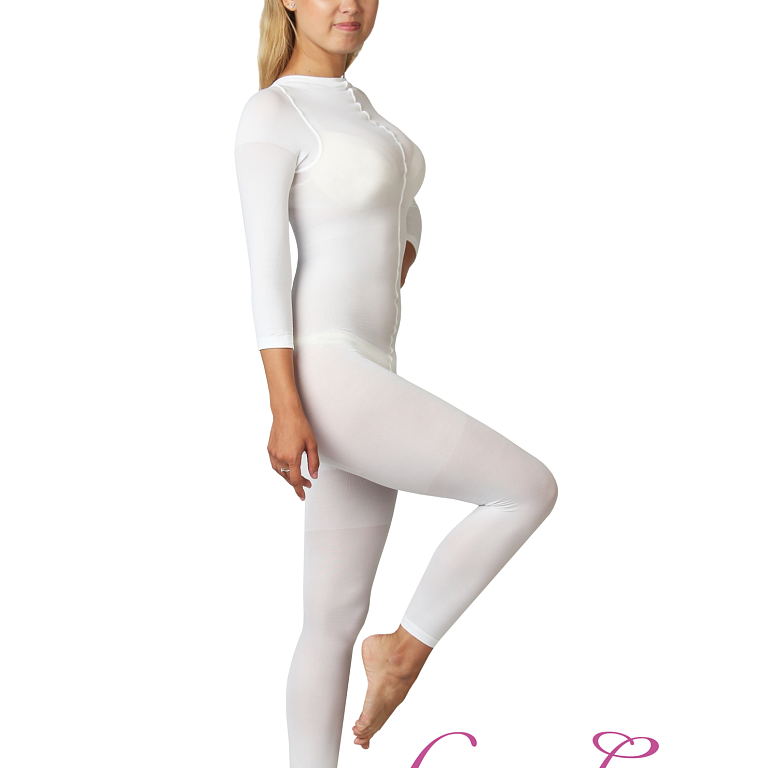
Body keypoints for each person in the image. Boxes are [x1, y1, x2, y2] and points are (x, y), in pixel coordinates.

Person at [234, 1, 559, 765]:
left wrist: (402, 245)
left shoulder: (361, 109)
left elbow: (396, 220)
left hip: (371, 367)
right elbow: (266, 271)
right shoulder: (273, 113)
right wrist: (284, 405)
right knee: (526, 489)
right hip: (329, 372)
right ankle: (403, 653)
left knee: (330, 619)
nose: (349, 5)